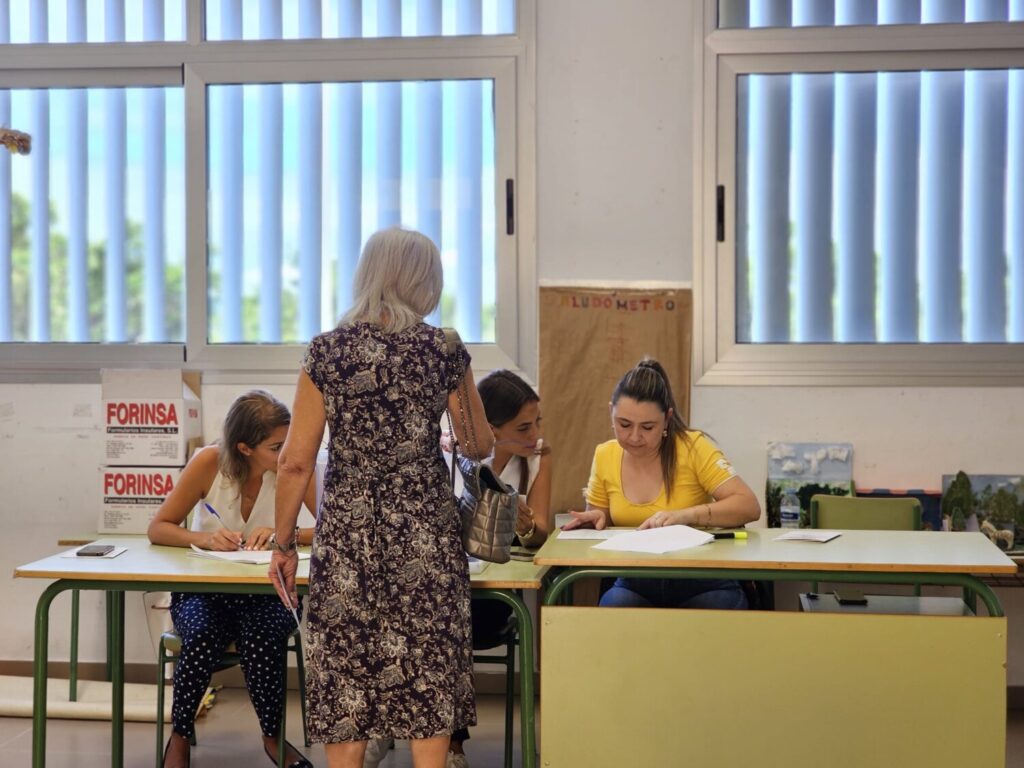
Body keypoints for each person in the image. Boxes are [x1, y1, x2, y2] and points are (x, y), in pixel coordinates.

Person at [271, 227, 494, 768]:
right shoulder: (443, 348)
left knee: (346, 678)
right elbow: (478, 443)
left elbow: (296, 461)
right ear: (426, 281)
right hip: (425, 534)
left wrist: (282, 545)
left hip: (347, 536)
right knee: (428, 675)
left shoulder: (326, 352)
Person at [148, 390, 317, 768]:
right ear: (244, 448)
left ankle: (273, 739)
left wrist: (282, 534)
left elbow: (332, 528)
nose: (286, 453)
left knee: (260, 636)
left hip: (269, 592)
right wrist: (203, 538)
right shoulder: (209, 462)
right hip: (205, 592)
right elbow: (158, 527)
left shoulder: (294, 467)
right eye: (276, 447)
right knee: (203, 632)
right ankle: (179, 736)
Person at [564, 359, 760, 609]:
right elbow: (603, 518)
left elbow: (748, 506)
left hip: (703, 577)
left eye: (647, 427)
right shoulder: (605, 454)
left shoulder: (693, 447)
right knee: (614, 609)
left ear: (667, 419)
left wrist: (686, 516)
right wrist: (595, 518)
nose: (634, 437)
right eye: (624, 424)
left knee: (720, 609)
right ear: (611, 411)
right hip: (635, 579)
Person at [445, 370, 552, 768]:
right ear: (491, 429)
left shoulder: (537, 460)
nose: (535, 434)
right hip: (452, 586)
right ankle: (443, 741)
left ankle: (451, 746)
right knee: (433, 618)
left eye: (538, 422)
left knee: (451, 622)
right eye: (524, 426)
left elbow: (541, 534)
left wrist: (526, 526)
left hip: (496, 595)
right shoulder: (454, 456)